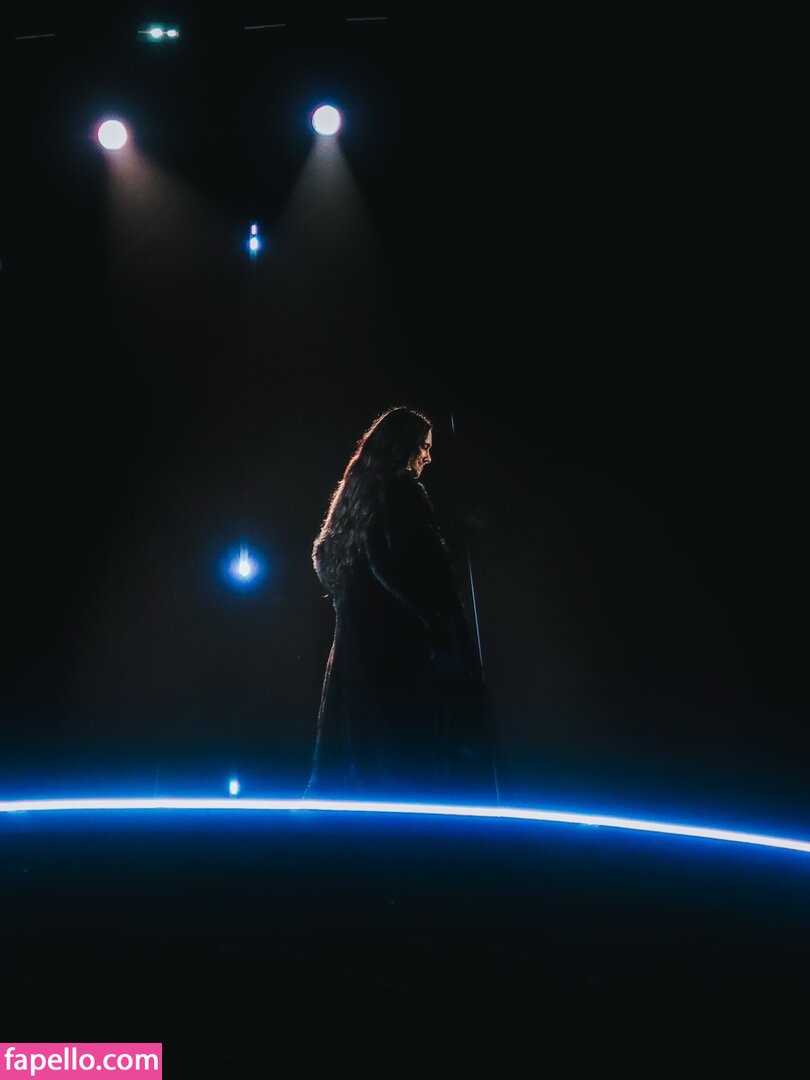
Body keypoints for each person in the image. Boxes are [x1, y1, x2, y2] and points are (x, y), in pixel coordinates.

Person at [304, 406, 498, 801]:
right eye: (423, 446)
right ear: (402, 446)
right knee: (407, 775)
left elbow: (325, 560)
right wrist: (443, 637)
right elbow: (416, 576)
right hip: (399, 659)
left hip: (356, 659)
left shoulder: (354, 501)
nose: (428, 457)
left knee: (359, 780)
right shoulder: (400, 492)